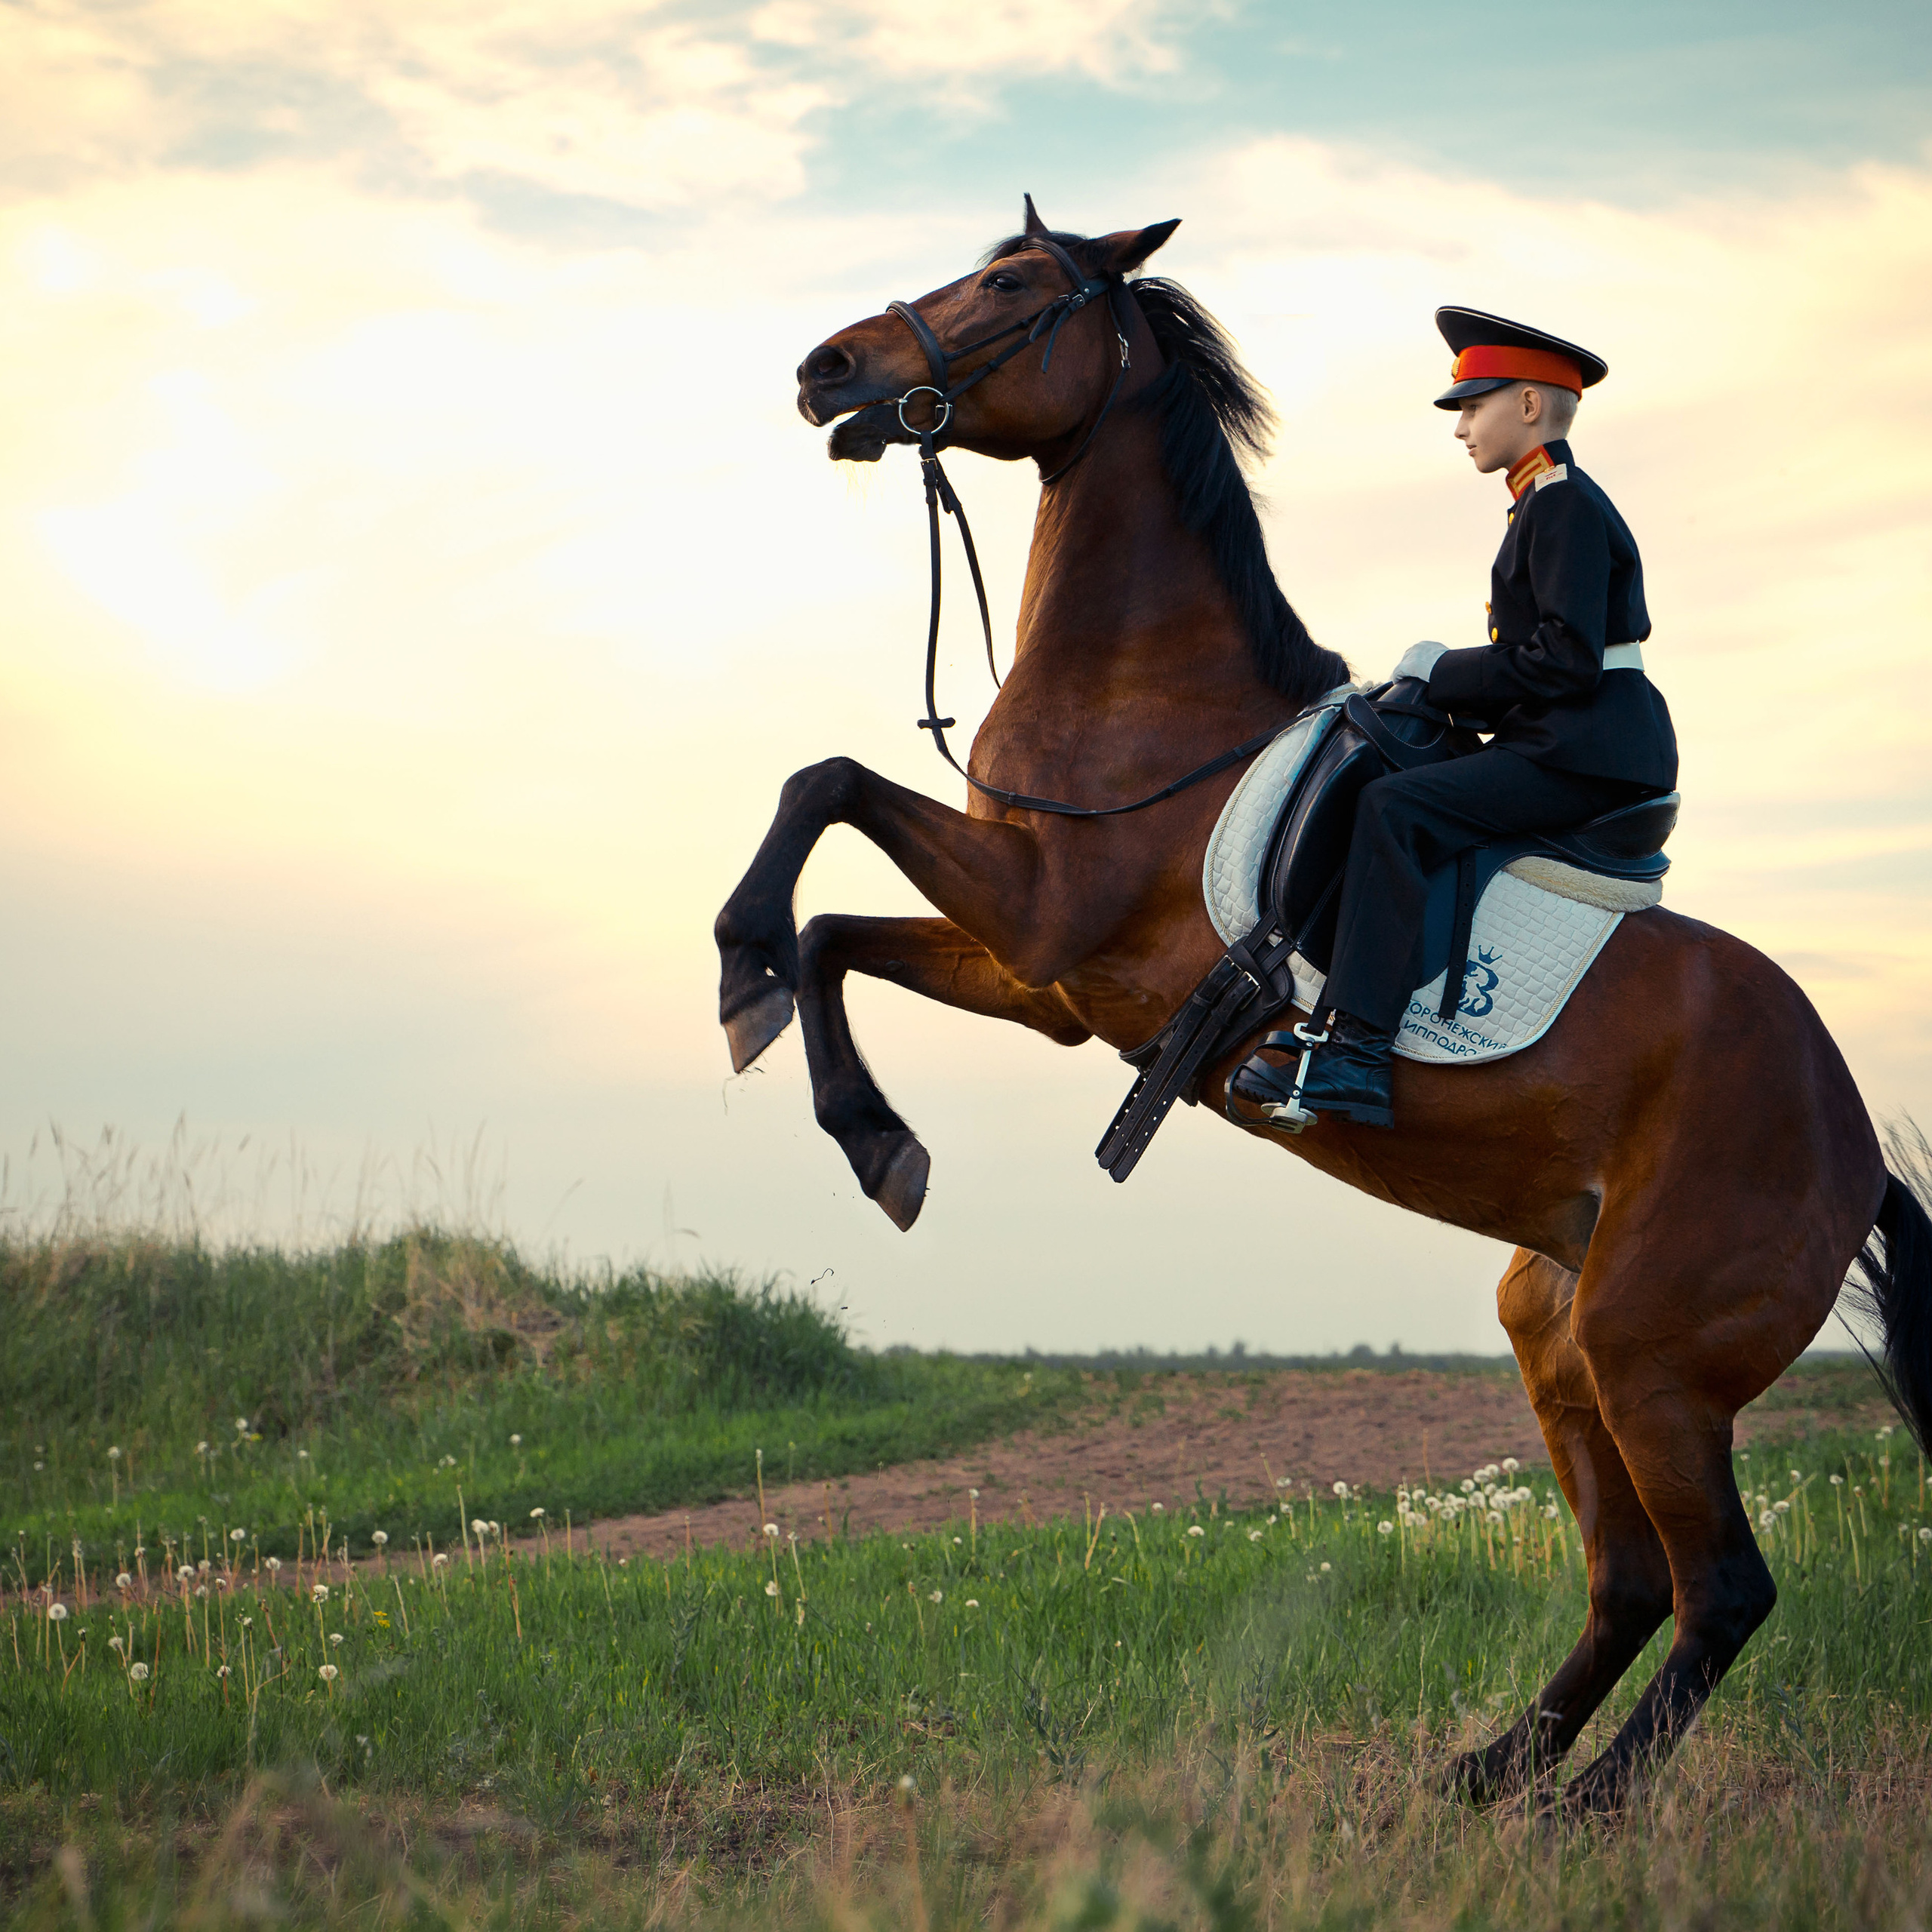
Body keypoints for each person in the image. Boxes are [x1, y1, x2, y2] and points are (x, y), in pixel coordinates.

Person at [1232, 306, 1677, 1128]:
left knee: (1395, 807)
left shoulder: (1561, 505)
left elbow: (1564, 661)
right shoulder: (1538, 502)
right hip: (1568, 739)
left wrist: (1441, 672)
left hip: (1589, 751)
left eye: (1474, 406)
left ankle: (1358, 1051)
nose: (1461, 425)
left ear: (1530, 406)